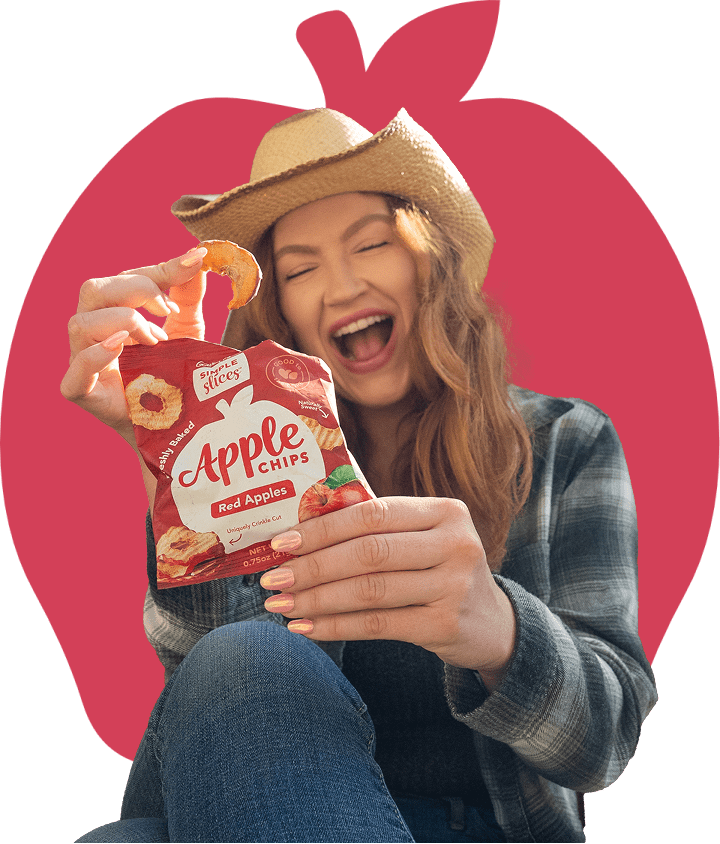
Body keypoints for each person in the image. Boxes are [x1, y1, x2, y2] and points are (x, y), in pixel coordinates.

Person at [63, 108, 658, 843]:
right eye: (301, 268)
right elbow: (204, 682)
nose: (340, 288)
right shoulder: (255, 452)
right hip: (267, 798)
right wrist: (179, 452)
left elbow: (606, 742)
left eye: (371, 245)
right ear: (282, 310)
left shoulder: (567, 441)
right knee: (241, 660)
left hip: (484, 828)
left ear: (430, 263)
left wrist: (495, 628)